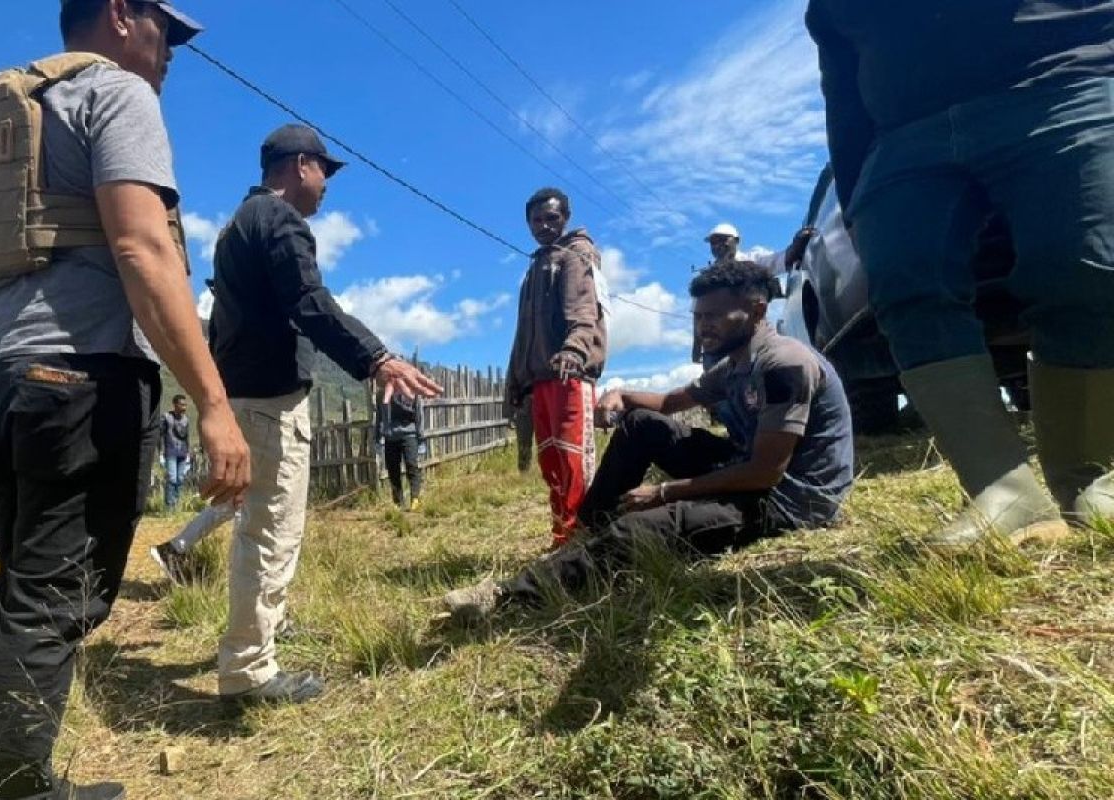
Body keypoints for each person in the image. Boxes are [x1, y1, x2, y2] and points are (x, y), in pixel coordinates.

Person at [0, 2, 250, 798]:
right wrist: (214, 403)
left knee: (24, 579)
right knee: (59, 591)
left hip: (3, 371)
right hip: (81, 372)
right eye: (166, 31)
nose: (171, 53)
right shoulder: (116, 93)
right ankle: (14, 785)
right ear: (122, 14)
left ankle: (5, 769)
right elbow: (141, 244)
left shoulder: (13, 109)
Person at [807, 1, 1114, 545]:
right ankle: (1005, 491)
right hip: (902, 134)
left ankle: (1090, 476)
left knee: (1086, 262)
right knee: (905, 281)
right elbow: (842, 91)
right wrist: (853, 198)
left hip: (1066, 77)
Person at [445, 261, 854, 621]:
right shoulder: (735, 364)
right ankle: (587, 536)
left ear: (756, 312)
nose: (702, 326)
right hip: (751, 468)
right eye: (698, 316)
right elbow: (667, 402)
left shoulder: (784, 364)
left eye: (714, 316)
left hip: (790, 500)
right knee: (642, 423)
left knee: (642, 527)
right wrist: (619, 394)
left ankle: (506, 596)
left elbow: (766, 474)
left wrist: (665, 492)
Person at [208, 123, 441, 708]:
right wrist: (377, 358)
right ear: (300, 165)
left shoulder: (238, 223)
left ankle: (269, 627)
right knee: (270, 529)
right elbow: (311, 304)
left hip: (246, 393)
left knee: (262, 525)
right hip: (268, 401)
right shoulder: (280, 221)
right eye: (325, 171)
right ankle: (247, 672)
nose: (328, 187)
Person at [506, 187, 608, 547]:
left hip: (569, 375)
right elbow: (523, 335)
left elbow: (584, 311)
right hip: (541, 381)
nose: (544, 226)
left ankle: (586, 541)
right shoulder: (536, 268)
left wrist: (574, 349)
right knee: (551, 460)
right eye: (537, 220)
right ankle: (562, 537)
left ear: (565, 218)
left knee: (574, 460)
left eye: (552, 218)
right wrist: (516, 383)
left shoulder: (576, 257)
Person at [694, 223, 814, 365]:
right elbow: (697, 313)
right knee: (717, 384)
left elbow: (782, 259)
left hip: (747, 340)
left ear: (736, 241)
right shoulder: (707, 276)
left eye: (722, 239)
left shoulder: (753, 261)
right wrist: (696, 346)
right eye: (713, 242)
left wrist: (797, 244)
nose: (717, 245)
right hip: (717, 347)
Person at [375, 389, 426, 510]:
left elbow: (419, 414)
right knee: (393, 471)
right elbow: (379, 416)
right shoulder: (381, 394)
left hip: (409, 435)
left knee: (412, 466)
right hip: (390, 437)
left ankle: (415, 498)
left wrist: (421, 438)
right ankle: (398, 503)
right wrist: (378, 438)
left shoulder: (412, 392)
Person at [159, 393, 191, 510]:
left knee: (180, 479)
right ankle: (169, 507)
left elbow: (187, 436)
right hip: (170, 451)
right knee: (172, 478)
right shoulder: (166, 417)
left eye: (185, 405)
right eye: (181, 405)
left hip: (182, 452)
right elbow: (160, 435)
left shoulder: (186, 419)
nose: (184, 407)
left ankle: (177, 505)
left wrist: (188, 453)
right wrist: (161, 452)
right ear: (175, 405)